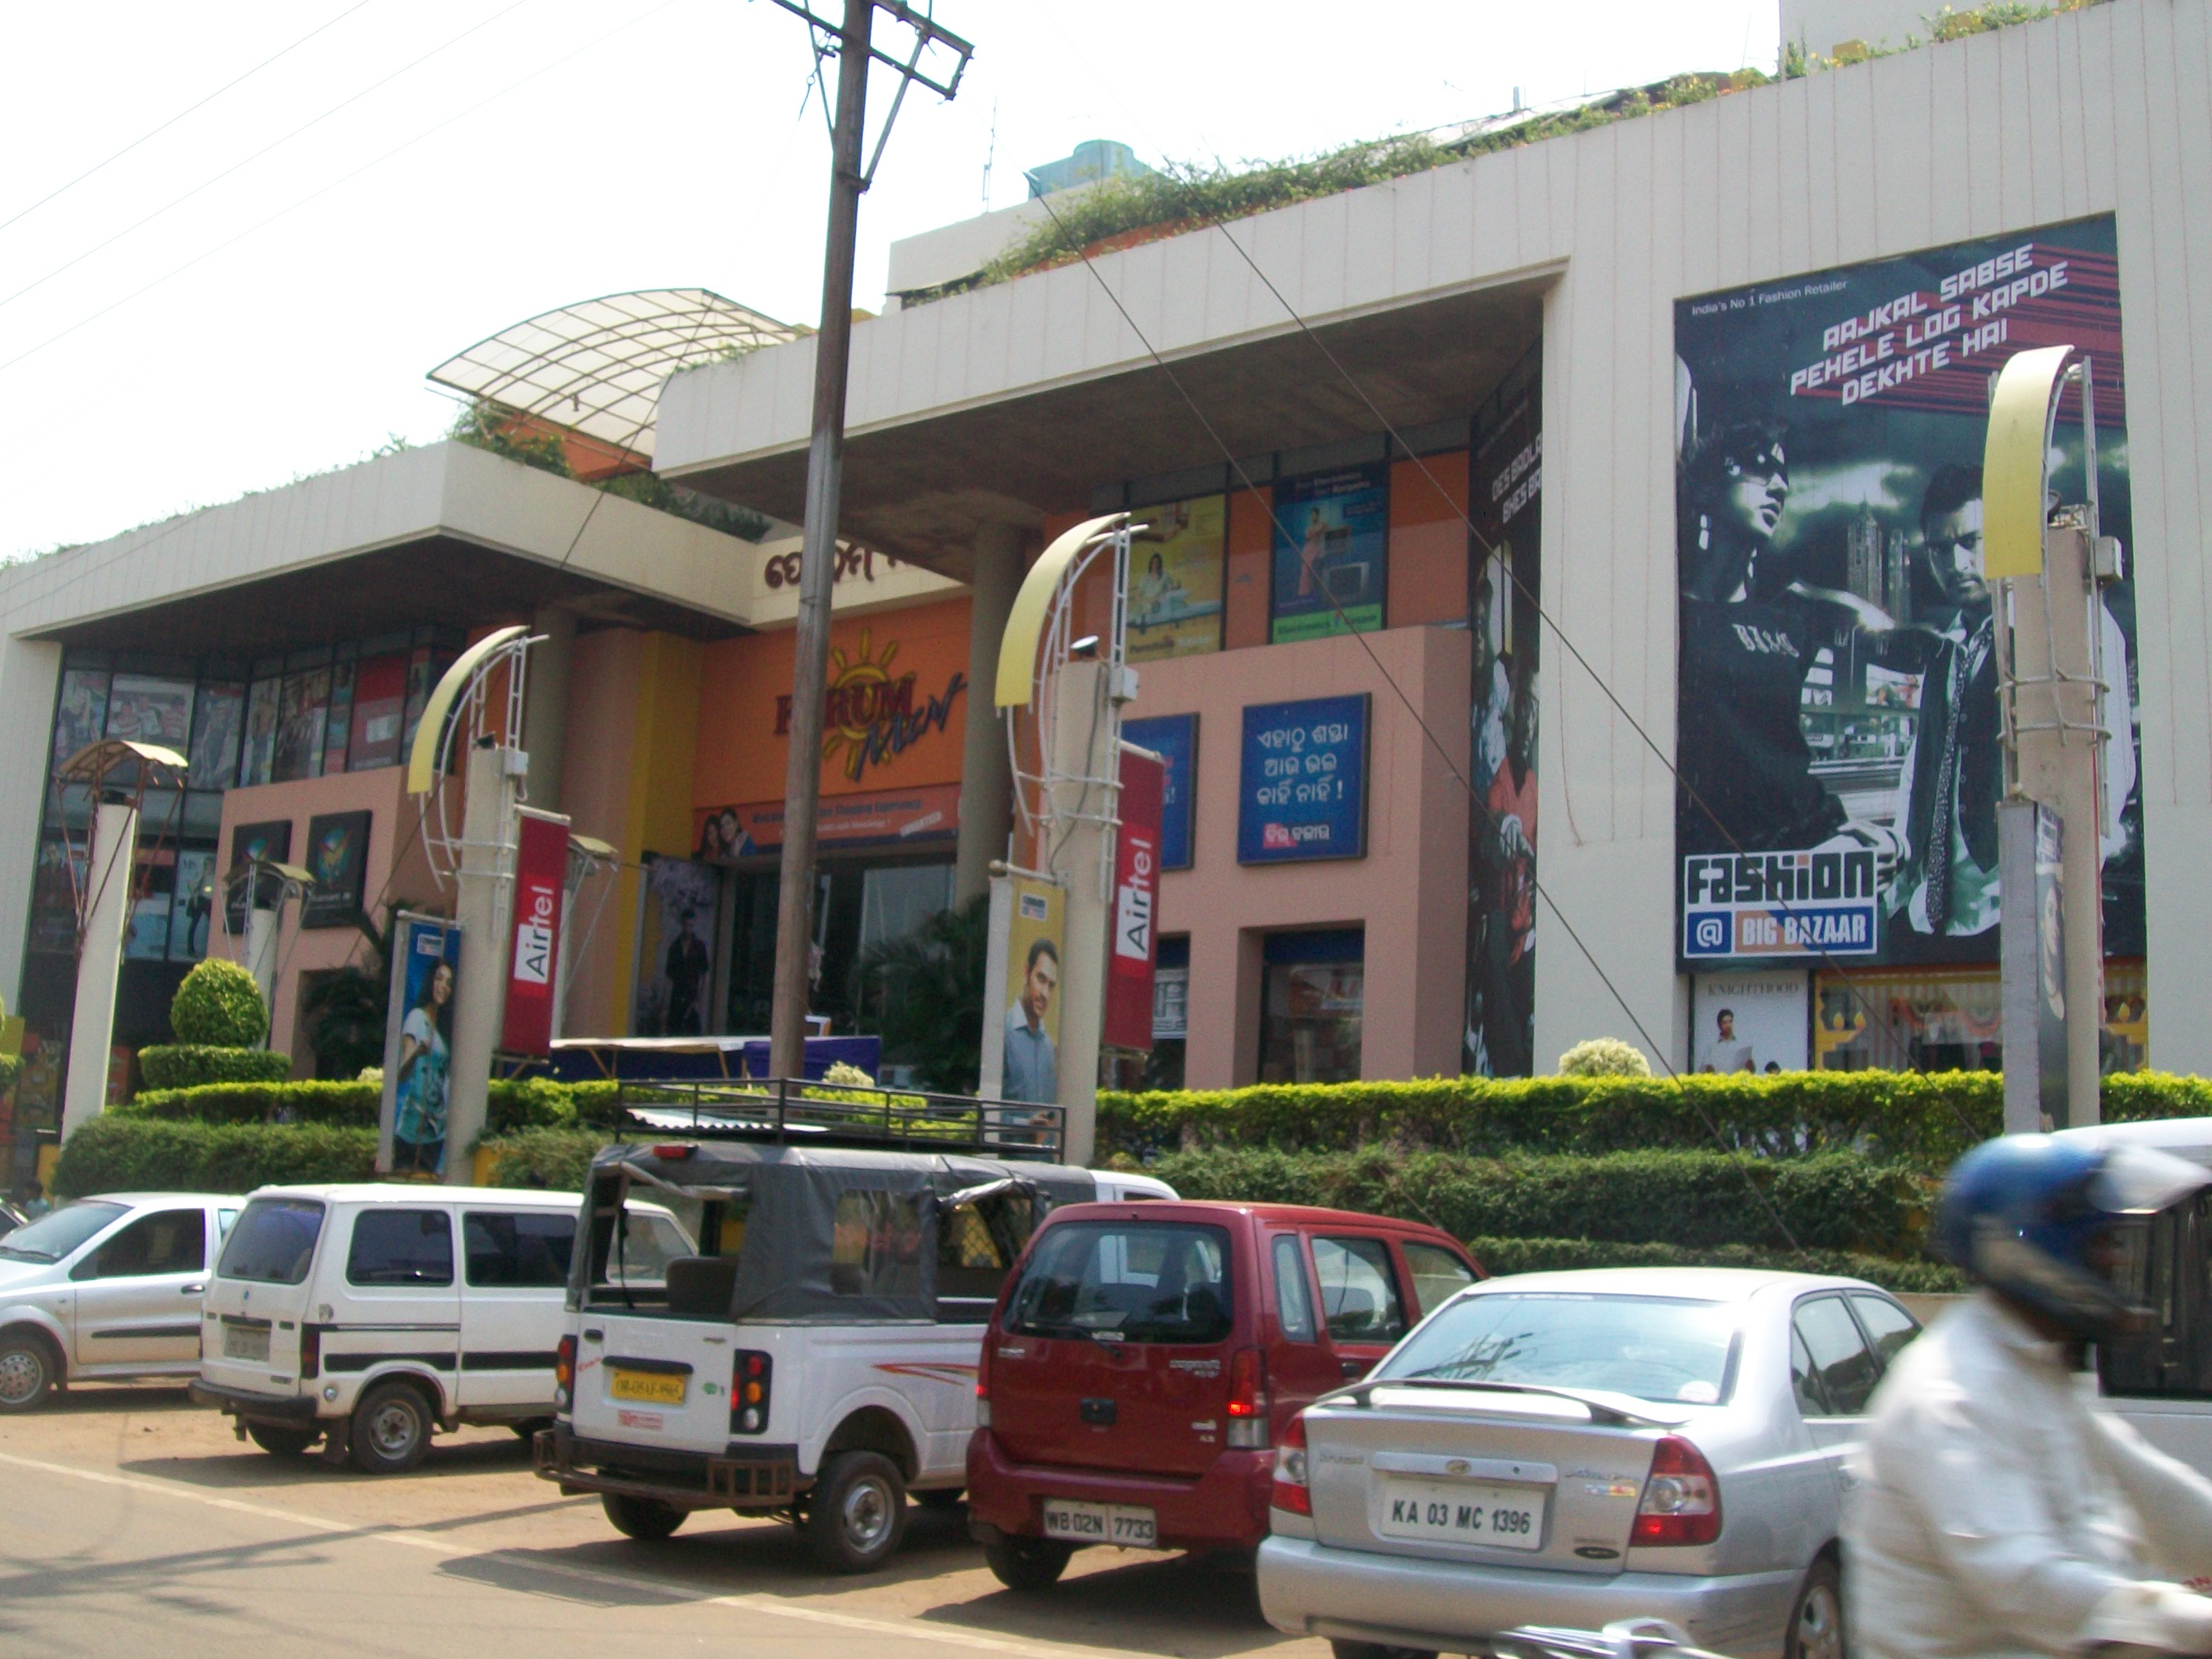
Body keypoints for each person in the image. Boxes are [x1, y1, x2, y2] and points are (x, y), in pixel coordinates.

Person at [1845, 1133, 2212, 1659]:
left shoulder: (2040, 1369)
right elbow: (2029, 1582)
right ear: (2029, 1250)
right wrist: (2195, 1626)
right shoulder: (1951, 1396)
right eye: (2099, 1244)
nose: (2114, 1260)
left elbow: (2161, 1496)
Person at [391, 959, 453, 1174]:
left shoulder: (446, 1030)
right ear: (430, 982)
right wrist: (417, 1052)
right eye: (439, 978)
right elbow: (401, 1074)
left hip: (436, 1131)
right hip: (412, 1127)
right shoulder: (417, 1018)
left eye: (448, 983)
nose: (442, 986)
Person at [1002, 937, 1059, 1105]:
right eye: (1041, 979)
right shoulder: (1004, 1032)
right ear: (1027, 973)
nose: (1045, 994)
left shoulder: (1048, 1047)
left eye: (1051, 985)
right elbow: (988, 1110)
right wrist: (1026, 1123)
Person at [664, 908, 710, 1035]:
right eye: (686, 925)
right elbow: (669, 977)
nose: (688, 929)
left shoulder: (699, 947)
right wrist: (665, 1005)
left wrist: (700, 1000)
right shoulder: (675, 947)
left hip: (692, 996)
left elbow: (705, 975)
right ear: (682, 925)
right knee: (674, 1030)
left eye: (691, 926)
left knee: (694, 1032)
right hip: (677, 996)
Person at [1709, 1007, 1755, 1072]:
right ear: (1720, 1025)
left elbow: (1752, 1071)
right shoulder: (1713, 1047)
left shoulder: (1741, 1045)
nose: (1728, 1025)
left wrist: (1750, 1065)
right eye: (1725, 1023)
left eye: (1730, 1022)